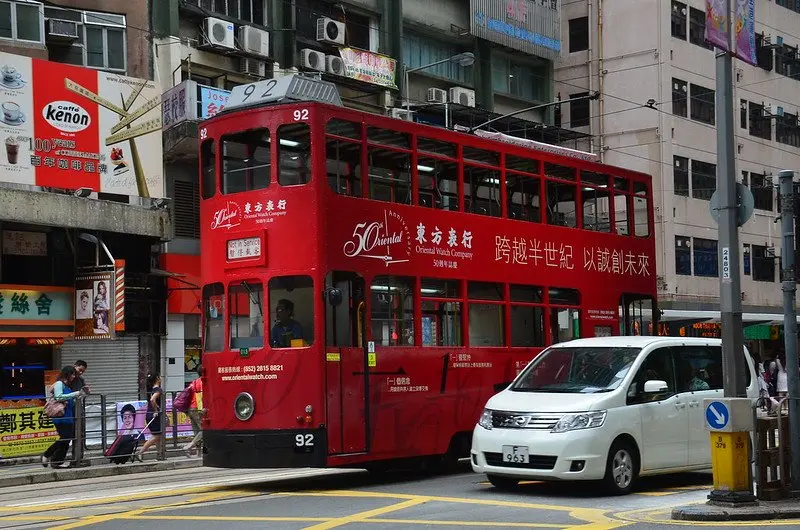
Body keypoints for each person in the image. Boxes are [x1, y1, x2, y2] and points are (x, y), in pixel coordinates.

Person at [41, 366, 86, 469]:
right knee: (65, 438)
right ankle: (47, 454)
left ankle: (57, 461)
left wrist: (79, 396)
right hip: (60, 416)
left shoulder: (67, 387)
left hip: (68, 416)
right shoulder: (59, 384)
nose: (74, 376)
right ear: (67, 374)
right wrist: (74, 394)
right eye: (72, 374)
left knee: (67, 439)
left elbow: (70, 401)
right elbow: (58, 396)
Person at [135, 374, 164, 461]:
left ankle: (159, 455)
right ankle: (140, 452)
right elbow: (152, 400)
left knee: (157, 435)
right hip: (154, 415)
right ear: (157, 379)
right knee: (157, 436)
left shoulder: (151, 390)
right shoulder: (158, 390)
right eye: (160, 377)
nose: (161, 378)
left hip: (149, 414)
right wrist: (156, 410)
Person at [183, 365, 205, 457]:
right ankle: (189, 446)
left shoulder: (194, 382)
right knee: (204, 430)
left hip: (190, 409)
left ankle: (198, 453)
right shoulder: (204, 382)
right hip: (198, 409)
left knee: (196, 431)